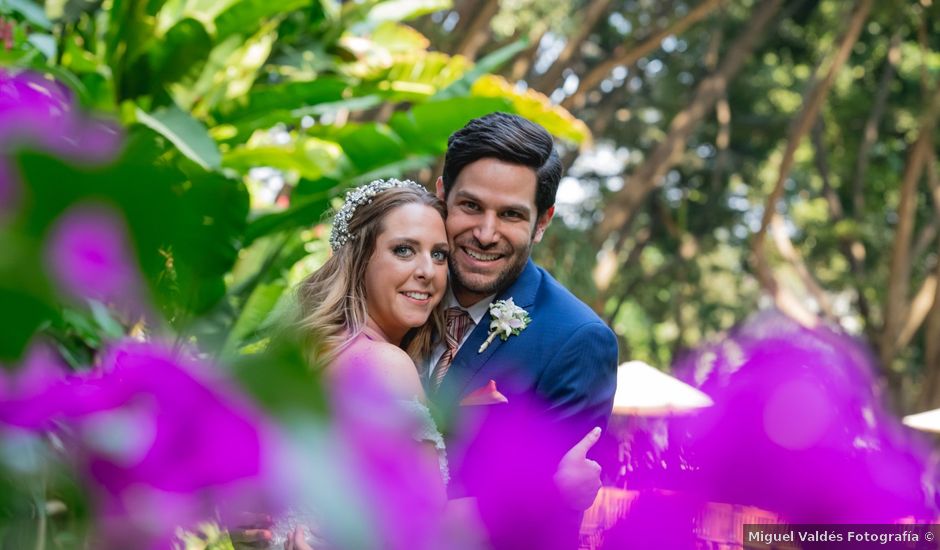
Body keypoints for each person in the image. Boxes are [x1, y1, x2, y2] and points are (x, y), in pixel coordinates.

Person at [427, 112, 619, 549]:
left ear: (543, 221)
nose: (485, 233)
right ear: (442, 196)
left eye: (511, 214)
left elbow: (534, 517)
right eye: (470, 206)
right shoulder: (399, 297)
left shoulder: (578, 341)